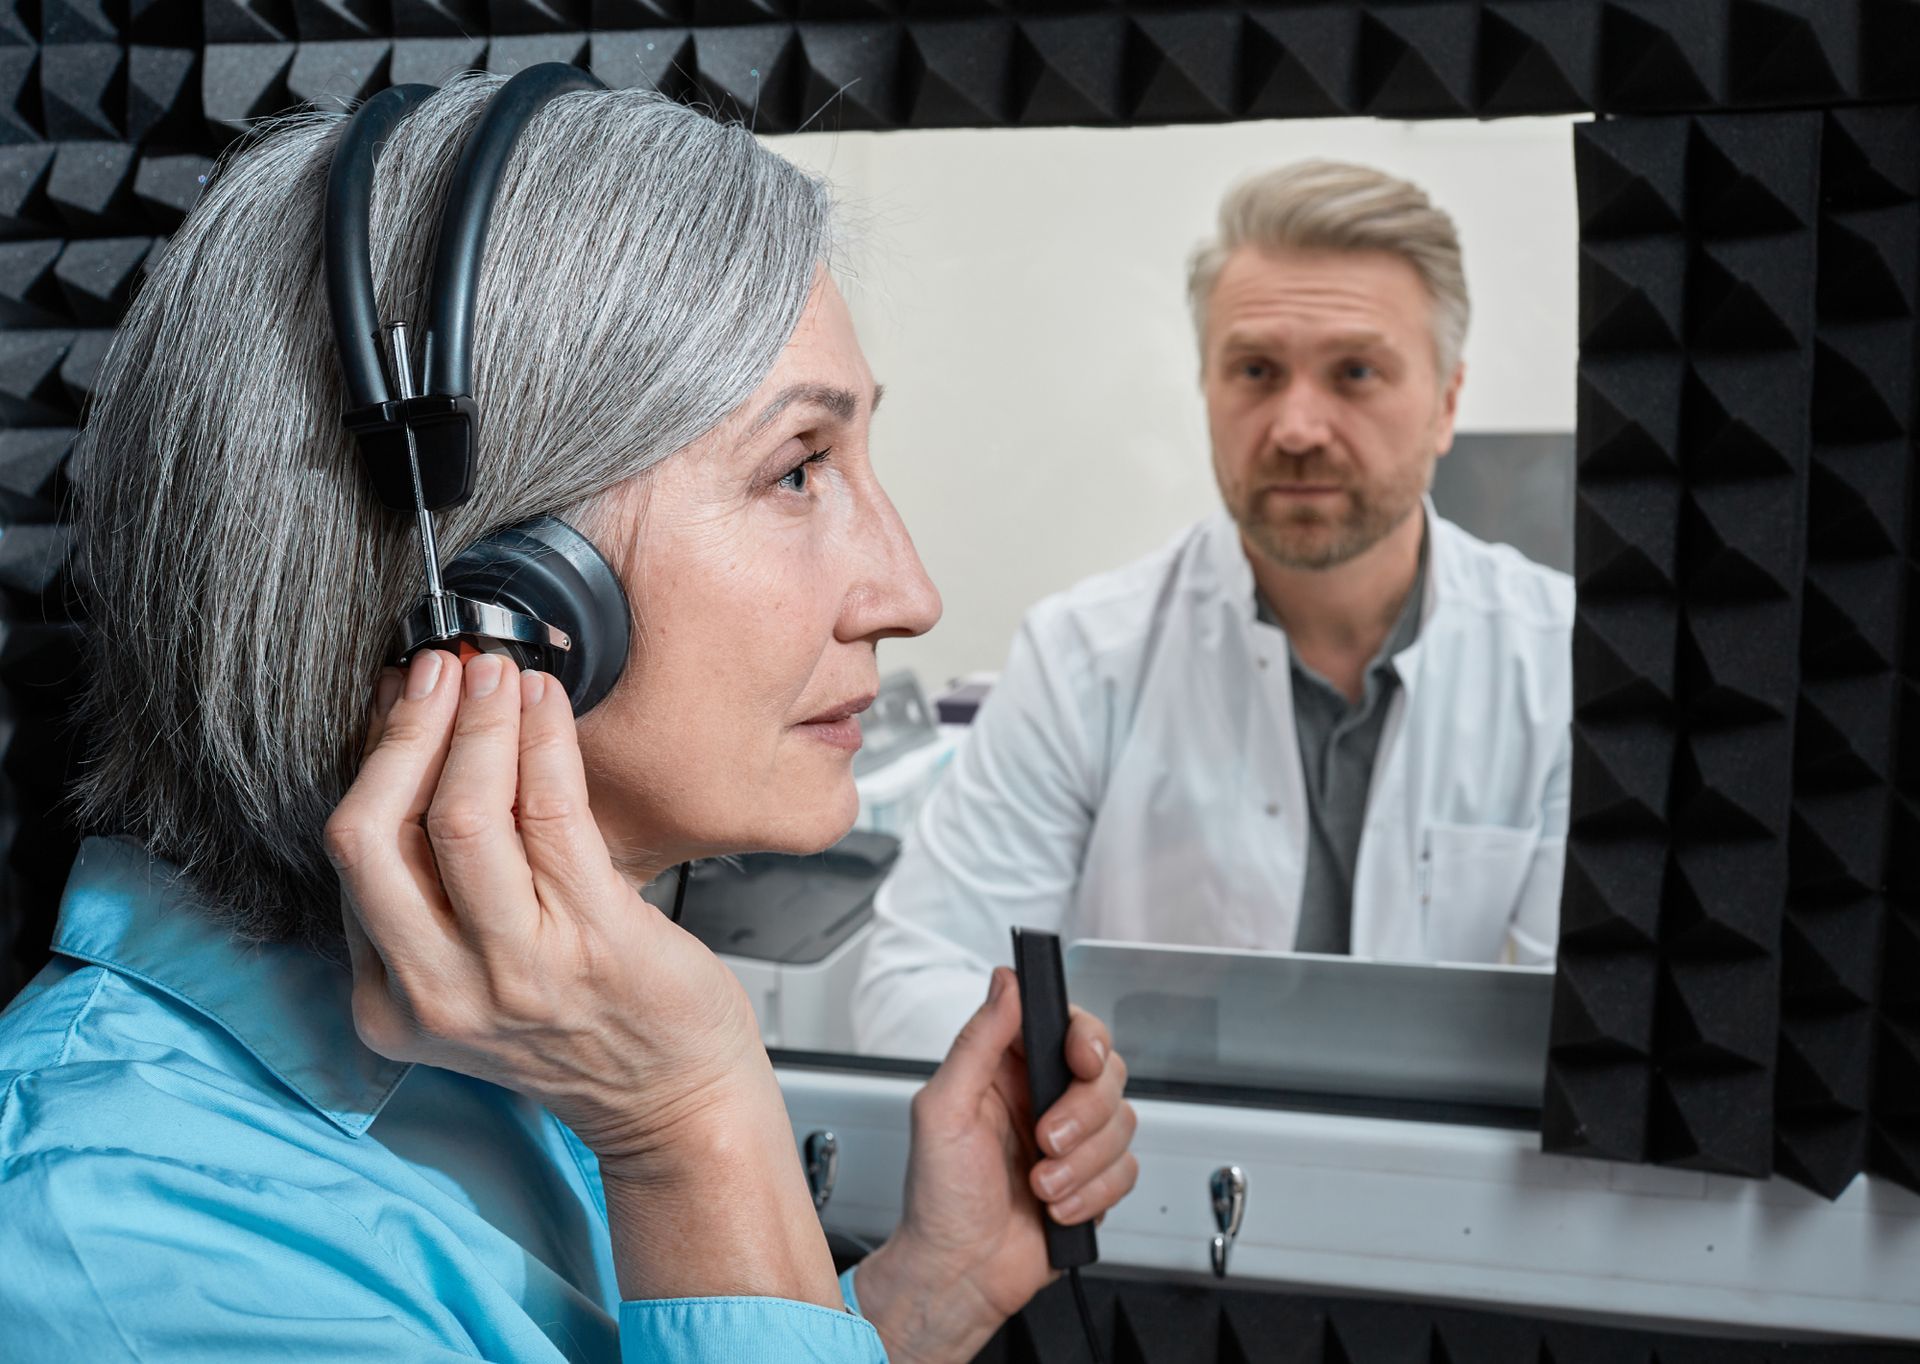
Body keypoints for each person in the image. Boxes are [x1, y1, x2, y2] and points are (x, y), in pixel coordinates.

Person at [0, 73, 1138, 1361]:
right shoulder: (135, 1242)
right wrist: (699, 1136)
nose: (908, 592)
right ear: (489, 596)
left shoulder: (521, 1041)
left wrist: (923, 1299)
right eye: (799, 469)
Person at [854, 160, 1573, 1060]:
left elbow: (1583, 1030)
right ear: (1207, 386)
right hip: (1152, 1181)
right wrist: (1067, 1082)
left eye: (1355, 372)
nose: (1298, 426)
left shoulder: (1562, 660)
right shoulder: (1084, 655)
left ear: (1447, 403)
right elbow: (913, 976)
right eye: (1257, 371)